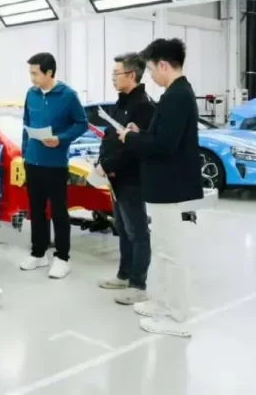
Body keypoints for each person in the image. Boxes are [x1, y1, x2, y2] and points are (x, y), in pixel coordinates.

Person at [117, 38, 203, 338]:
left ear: (164, 65)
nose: (151, 76)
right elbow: (164, 136)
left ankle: (177, 317)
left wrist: (131, 139)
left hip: (172, 188)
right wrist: (141, 132)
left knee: (172, 253)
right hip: (166, 187)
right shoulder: (175, 94)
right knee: (165, 250)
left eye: (152, 70)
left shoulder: (177, 97)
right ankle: (164, 303)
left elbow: (164, 145)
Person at [19, 53, 88, 278]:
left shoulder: (68, 95)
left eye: (35, 73)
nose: (32, 78)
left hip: (56, 163)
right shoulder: (31, 94)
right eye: (30, 73)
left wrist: (61, 138)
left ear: (49, 72)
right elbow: (26, 123)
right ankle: (38, 253)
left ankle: (62, 258)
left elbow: (82, 123)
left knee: (59, 210)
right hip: (32, 161)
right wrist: (24, 153)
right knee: (36, 209)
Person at [95, 53, 156, 305]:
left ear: (131, 75)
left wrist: (108, 164)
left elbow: (135, 147)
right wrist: (101, 161)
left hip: (132, 178)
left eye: (116, 73)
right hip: (115, 178)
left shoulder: (144, 106)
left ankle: (138, 285)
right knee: (122, 227)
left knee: (137, 231)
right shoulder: (121, 103)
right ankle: (124, 274)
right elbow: (111, 136)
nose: (112, 78)